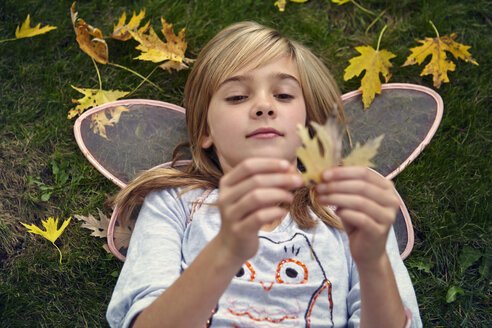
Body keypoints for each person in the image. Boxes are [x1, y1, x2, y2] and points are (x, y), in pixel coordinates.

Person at [106, 21, 422, 328]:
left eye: (283, 95)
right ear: (205, 131)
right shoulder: (174, 204)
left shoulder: (346, 210)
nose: (263, 106)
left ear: (308, 126)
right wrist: (226, 251)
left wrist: (373, 263)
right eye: (237, 97)